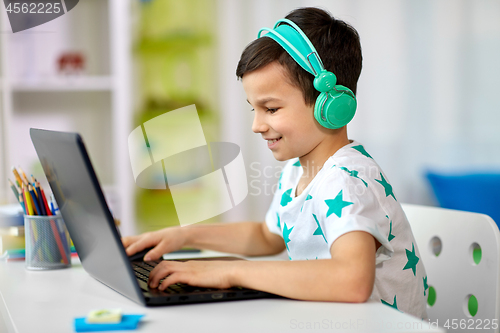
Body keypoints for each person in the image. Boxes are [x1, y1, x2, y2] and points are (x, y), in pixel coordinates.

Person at [123, 7, 428, 319]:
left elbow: (352, 281)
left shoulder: (347, 179)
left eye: (270, 109)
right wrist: (185, 236)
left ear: (331, 105)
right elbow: (267, 236)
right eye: (253, 108)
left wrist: (229, 273)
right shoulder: (298, 170)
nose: (256, 125)